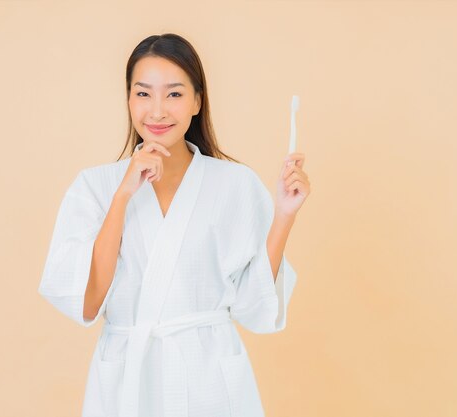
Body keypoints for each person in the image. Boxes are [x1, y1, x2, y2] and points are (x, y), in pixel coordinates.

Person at [38, 33, 311, 417]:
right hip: (128, 383)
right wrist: (122, 196)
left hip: (209, 379)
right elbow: (87, 300)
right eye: (144, 94)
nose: (158, 111)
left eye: (175, 94)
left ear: (198, 101)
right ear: (129, 99)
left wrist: (284, 214)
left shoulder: (235, 184)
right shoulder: (94, 187)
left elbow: (254, 307)